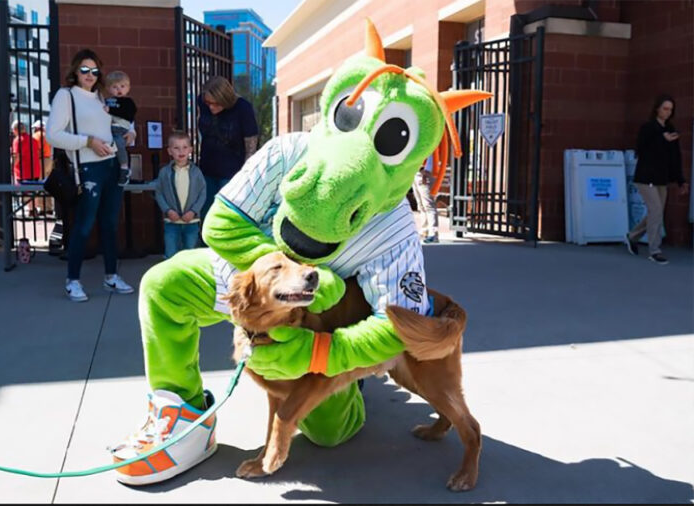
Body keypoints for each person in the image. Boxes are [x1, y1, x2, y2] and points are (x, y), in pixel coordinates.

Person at [107, 20, 491, 486]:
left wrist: (323, 352)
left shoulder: (396, 229)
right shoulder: (286, 152)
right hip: (251, 287)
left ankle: (351, 391)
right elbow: (221, 224)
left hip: (324, 331)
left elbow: (399, 326)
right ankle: (179, 412)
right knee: (164, 283)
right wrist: (280, 277)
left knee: (331, 435)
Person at [47, 48, 135, 302]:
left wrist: (131, 134)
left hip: (111, 166)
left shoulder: (100, 97)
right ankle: (72, 280)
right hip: (88, 168)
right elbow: (54, 134)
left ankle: (111, 276)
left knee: (109, 224)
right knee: (83, 226)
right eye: (84, 69)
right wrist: (88, 142)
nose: (89, 74)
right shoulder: (66, 96)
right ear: (75, 70)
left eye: (94, 70)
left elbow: (117, 124)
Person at [625, 94, 689, 265]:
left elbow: (675, 157)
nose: (667, 112)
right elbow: (642, 149)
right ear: (657, 109)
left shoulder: (670, 130)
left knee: (657, 212)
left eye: (670, 110)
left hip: (661, 179)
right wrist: (662, 140)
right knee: (656, 211)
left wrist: (681, 180)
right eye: (665, 108)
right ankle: (654, 250)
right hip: (646, 177)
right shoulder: (648, 128)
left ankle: (632, 236)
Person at [197, 76, 258, 221]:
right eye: (208, 102)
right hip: (207, 168)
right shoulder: (202, 102)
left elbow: (251, 142)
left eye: (215, 103)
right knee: (207, 214)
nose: (211, 107)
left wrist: (246, 173)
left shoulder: (243, 108)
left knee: (227, 216)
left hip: (232, 173)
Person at [153, 131, 206, 259]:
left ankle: (188, 277)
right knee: (171, 253)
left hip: (191, 221)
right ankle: (171, 277)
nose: (181, 151)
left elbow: (202, 193)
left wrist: (193, 211)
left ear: (190, 150)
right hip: (172, 221)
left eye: (184, 147)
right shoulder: (165, 173)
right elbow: (159, 193)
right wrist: (168, 210)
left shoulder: (196, 173)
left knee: (190, 253)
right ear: (170, 151)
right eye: (176, 148)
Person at [104, 70, 137, 186]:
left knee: (119, 143)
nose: (119, 90)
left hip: (120, 129)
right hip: (108, 129)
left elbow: (128, 114)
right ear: (108, 89)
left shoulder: (128, 102)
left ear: (128, 88)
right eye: (115, 87)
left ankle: (124, 167)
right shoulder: (107, 101)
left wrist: (110, 110)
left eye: (122, 86)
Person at [11, 120, 42, 215]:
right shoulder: (33, 140)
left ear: (16, 130)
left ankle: (31, 210)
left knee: (26, 192)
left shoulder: (17, 140)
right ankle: (34, 209)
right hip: (35, 169)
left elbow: (17, 156)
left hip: (23, 171)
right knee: (33, 190)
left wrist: (12, 166)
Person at [412, 156, 441, 243]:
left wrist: (427, 170)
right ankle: (425, 231)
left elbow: (432, 154)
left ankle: (433, 233)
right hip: (416, 172)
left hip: (425, 173)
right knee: (421, 205)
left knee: (429, 205)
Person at [32, 120, 54, 213]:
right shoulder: (48, 135)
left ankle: (42, 208)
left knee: (41, 184)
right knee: (49, 184)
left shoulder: (36, 136)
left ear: (37, 128)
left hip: (41, 160)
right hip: (49, 160)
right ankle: (49, 207)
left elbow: (37, 150)